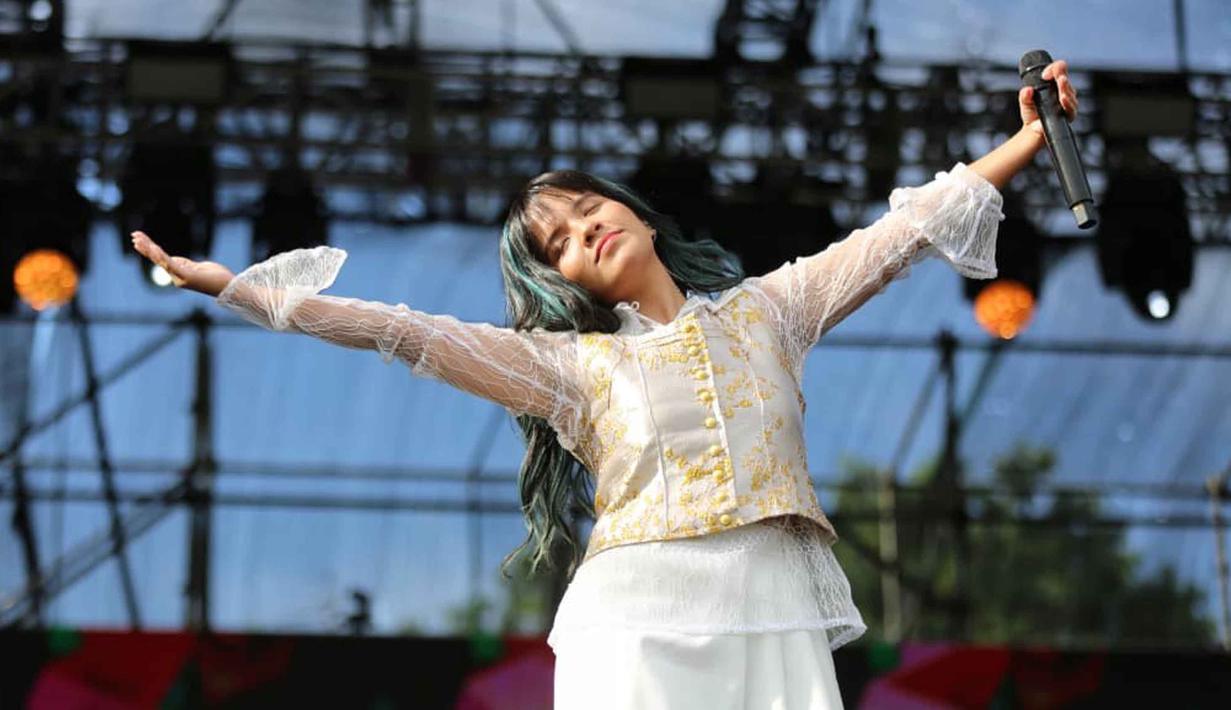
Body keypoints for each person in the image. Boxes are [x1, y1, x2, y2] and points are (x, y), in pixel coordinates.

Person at [131, 60, 1079, 709]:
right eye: (560, 243)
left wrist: (1026, 139)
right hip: (636, 615)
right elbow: (404, 332)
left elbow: (903, 234)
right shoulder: (572, 369)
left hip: (774, 598)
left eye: (589, 211)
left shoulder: (770, 311)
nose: (584, 232)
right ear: (564, 281)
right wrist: (247, 293)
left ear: (633, 213)